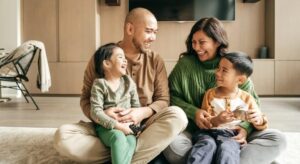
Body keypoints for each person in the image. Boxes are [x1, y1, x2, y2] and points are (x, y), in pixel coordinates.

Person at [53, 8, 188, 163]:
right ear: (130, 29)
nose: (153, 37)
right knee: (62, 137)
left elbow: (163, 100)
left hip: (142, 129)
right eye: (149, 31)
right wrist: (106, 116)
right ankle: (128, 154)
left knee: (178, 116)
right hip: (107, 128)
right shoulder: (102, 57)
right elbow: (85, 99)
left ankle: (118, 155)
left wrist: (141, 113)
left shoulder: (155, 60)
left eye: (155, 32)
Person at [164, 17, 286, 164]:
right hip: (197, 133)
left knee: (278, 139)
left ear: (217, 41)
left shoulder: (234, 65)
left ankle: (216, 157)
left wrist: (245, 129)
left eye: (202, 42)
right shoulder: (185, 65)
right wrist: (193, 112)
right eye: (193, 42)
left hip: (233, 134)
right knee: (171, 143)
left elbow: (254, 108)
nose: (196, 47)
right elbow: (170, 96)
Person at [187, 52, 268, 164]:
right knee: (206, 145)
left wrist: (259, 120)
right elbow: (205, 121)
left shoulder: (247, 98)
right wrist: (217, 120)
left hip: (231, 135)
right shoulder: (210, 94)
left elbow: (261, 121)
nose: (217, 73)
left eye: (224, 70)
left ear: (240, 80)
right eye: (218, 68)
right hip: (208, 133)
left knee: (227, 149)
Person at [90, 43, 141, 164]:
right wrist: (118, 126)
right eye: (120, 57)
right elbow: (95, 111)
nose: (125, 60)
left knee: (132, 141)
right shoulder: (100, 84)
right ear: (107, 64)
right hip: (107, 127)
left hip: (128, 126)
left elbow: (136, 107)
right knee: (118, 137)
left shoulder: (129, 83)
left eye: (125, 57)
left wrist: (135, 125)